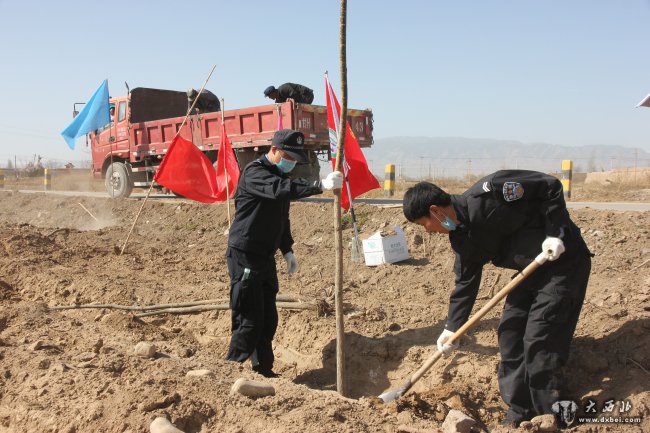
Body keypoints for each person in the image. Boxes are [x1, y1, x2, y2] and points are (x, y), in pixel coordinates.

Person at [402, 170, 592, 427]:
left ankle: (553, 416)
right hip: (529, 272)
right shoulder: (461, 239)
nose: (427, 231)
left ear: (435, 211)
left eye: (423, 223)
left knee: (540, 338)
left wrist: (555, 232)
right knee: (510, 333)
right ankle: (520, 408)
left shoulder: (490, 194)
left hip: (563, 263)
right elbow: (466, 284)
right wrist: (451, 328)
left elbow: (550, 186)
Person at [226, 128, 343, 377]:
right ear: (274, 150)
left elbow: (281, 218)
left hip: (266, 256)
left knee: (268, 317)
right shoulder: (256, 173)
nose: (291, 163)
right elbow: (283, 189)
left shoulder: (277, 174)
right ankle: (231, 369)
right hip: (245, 254)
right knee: (249, 316)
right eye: (288, 157)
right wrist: (319, 185)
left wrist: (287, 249)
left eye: (294, 159)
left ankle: (262, 369)